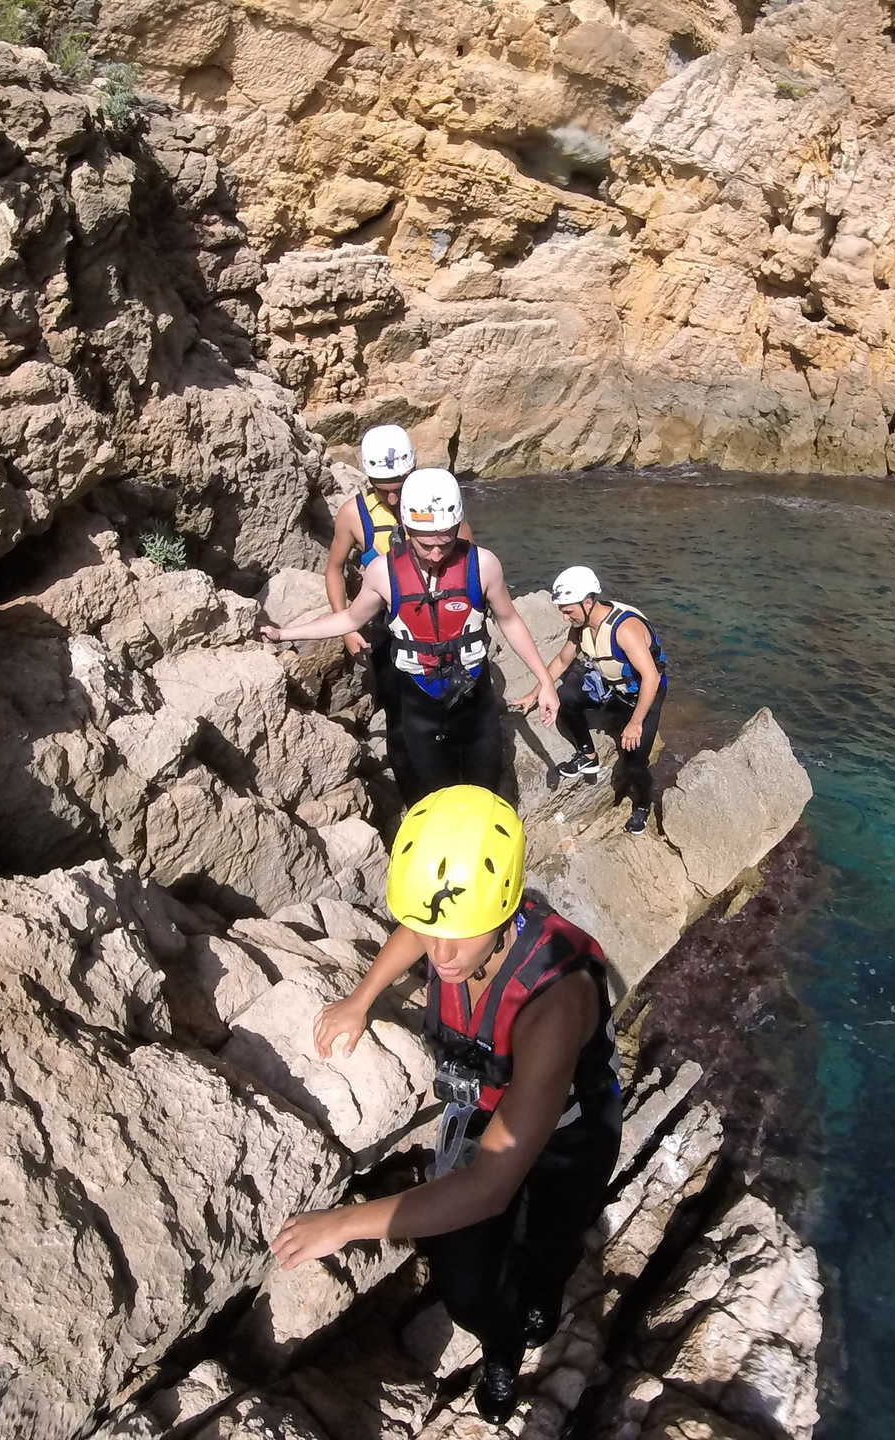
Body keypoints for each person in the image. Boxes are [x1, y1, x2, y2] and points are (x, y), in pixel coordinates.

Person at [270, 786, 621, 1424]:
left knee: (549, 1240)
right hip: (487, 1110)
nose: (442, 955)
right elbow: (424, 927)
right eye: (434, 934)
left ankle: (531, 1313)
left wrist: (344, 1224)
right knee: (465, 1289)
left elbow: (488, 1187)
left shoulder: (554, 1001)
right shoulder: (454, 932)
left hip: (569, 1135)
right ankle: (501, 1338)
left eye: (458, 937)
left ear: (508, 904)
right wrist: (361, 996)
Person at [264, 469, 559, 802]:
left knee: (484, 784)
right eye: (425, 545)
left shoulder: (484, 565)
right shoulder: (382, 573)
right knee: (434, 791)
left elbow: (510, 620)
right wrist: (285, 632)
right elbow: (349, 618)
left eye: (445, 543)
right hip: (419, 701)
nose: (436, 554)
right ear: (406, 528)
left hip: (474, 696)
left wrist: (545, 681)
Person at [323, 427, 473, 799]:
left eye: (400, 485)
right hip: (391, 634)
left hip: (446, 632)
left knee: (457, 711)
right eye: (381, 486)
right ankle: (415, 798)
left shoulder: (441, 506)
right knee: (401, 720)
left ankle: (461, 786)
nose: (392, 496)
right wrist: (345, 627)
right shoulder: (355, 515)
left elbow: (471, 565)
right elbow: (334, 569)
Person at [514, 565, 669, 834]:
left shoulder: (625, 630)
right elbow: (563, 660)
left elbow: (651, 678)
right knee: (565, 697)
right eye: (562, 611)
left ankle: (642, 805)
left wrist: (636, 723)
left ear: (588, 602)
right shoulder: (582, 626)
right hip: (612, 689)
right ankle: (588, 755)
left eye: (568, 610)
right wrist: (534, 695)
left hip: (642, 695)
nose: (565, 618)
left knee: (634, 761)